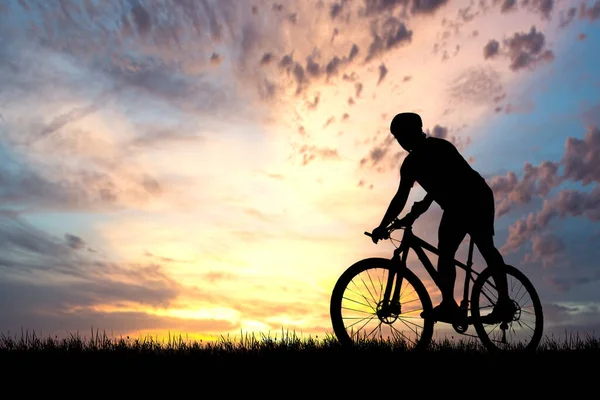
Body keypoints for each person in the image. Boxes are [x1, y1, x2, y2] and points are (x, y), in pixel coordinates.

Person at [370, 112, 514, 323]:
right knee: (445, 251)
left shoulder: (440, 147)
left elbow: (450, 182)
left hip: (475, 196)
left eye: (403, 134)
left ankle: (504, 303)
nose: (401, 141)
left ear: (417, 131)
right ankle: (449, 305)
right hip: (454, 206)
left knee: (484, 245)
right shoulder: (409, 165)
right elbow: (401, 197)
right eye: (398, 137)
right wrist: (383, 225)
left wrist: (420, 209)